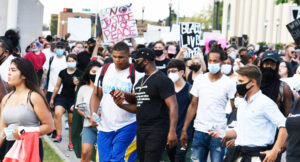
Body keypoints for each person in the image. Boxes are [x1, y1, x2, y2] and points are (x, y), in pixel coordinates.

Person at [111, 48, 178, 162]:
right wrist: (121, 103)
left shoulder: (162, 80)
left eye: (137, 60)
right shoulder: (140, 81)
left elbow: (173, 106)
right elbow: (138, 106)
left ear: (146, 61)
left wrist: (172, 131)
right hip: (141, 129)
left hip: (157, 130)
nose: (134, 62)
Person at [212, 65, 288, 162]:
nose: (238, 85)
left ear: (252, 82)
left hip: (258, 156)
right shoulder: (243, 103)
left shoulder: (265, 103)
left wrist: (275, 150)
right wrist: (221, 132)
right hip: (240, 155)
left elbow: (284, 125)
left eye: (241, 81)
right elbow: (242, 129)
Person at [89, 42, 143, 162]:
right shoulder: (104, 69)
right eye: (114, 56)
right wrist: (93, 113)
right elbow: (96, 95)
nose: (117, 60)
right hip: (105, 126)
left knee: (118, 159)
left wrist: (124, 95)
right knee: (103, 160)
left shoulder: (137, 73)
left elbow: (138, 100)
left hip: (128, 124)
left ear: (129, 55)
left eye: (121, 57)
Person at [180, 48, 236, 162]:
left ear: (221, 62)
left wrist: (230, 132)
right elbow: (193, 105)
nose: (212, 63)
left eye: (215, 61)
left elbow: (234, 109)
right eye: (210, 60)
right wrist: (184, 129)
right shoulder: (200, 79)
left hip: (219, 133)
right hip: (200, 131)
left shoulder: (229, 83)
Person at [0, 58, 54, 161]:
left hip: (29, 147)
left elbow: (49, 126)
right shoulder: (6, 98)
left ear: (24, 75)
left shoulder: (34, 97)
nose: (9, 73)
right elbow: (2, 130)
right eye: (9, 70)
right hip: (8, 147)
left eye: (13, 70)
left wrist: (24, 132)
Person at [50, 54, 82, 151]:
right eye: (69, 60)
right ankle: (59, 135)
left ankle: (71, 142)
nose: (71, 62)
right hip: (63, 97)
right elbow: (57, 86)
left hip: (74, 99)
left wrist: (77, 84)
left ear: (76, 62)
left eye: (73, 60)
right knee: (57, 112)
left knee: (71, 121)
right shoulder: (62, 72)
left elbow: (81, 89)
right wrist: (52, 98)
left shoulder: (80, 73)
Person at [74, 60, 101, 162]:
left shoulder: (104, 89)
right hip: (88, 125)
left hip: (103, 127)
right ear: (88, 73)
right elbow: (79, 108)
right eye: (93, 72)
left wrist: (98, 116)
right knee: (85, 152)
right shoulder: (83, 89)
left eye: (98, 73)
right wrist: (89, 117)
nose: (95, 75)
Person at [166, 59, 193, 162]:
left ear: (181, 72)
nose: (171, 74)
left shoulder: (190, 90)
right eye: (169, 71)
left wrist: (186, 131)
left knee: (180, 158)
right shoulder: (166, 90)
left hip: (184, 134)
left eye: (173, 71)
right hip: (169, 134)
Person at [43, 41, 67, 138]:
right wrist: (44, 86)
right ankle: (52, 128)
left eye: (61, 48)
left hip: (62, 90)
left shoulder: (66, 60)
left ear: (64, 49)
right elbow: (46, 73)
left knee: (58, 112)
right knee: (51, 110)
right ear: (55, 48)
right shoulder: (51, 59)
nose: (59, 49)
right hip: (51, 88)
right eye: (58, 47)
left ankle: (57, 131)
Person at [260, 51, 293, 117]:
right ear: (262, 65)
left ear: (277, 66)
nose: (269, 67)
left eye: (272, 64)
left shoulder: (283, 88)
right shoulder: (255, 85)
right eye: (266, 64)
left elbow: (288, 115)